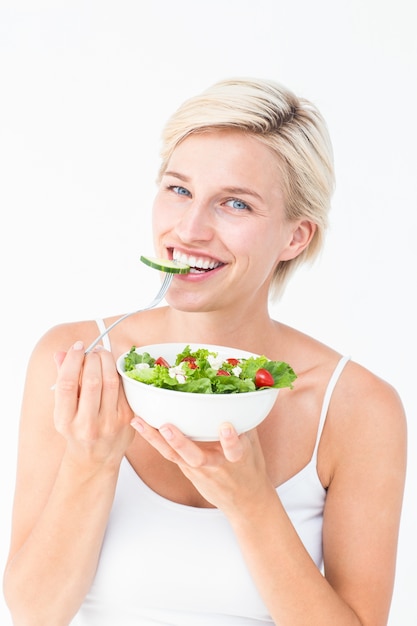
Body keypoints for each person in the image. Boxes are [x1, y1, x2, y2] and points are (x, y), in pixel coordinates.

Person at [3, 77, 407, 626]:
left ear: (295, 237)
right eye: (179, 190)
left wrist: (251, 503)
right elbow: (34, 613)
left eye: (234, 203)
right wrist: (90, 462)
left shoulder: (356, 407)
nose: (189, 230)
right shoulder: (79, 359)